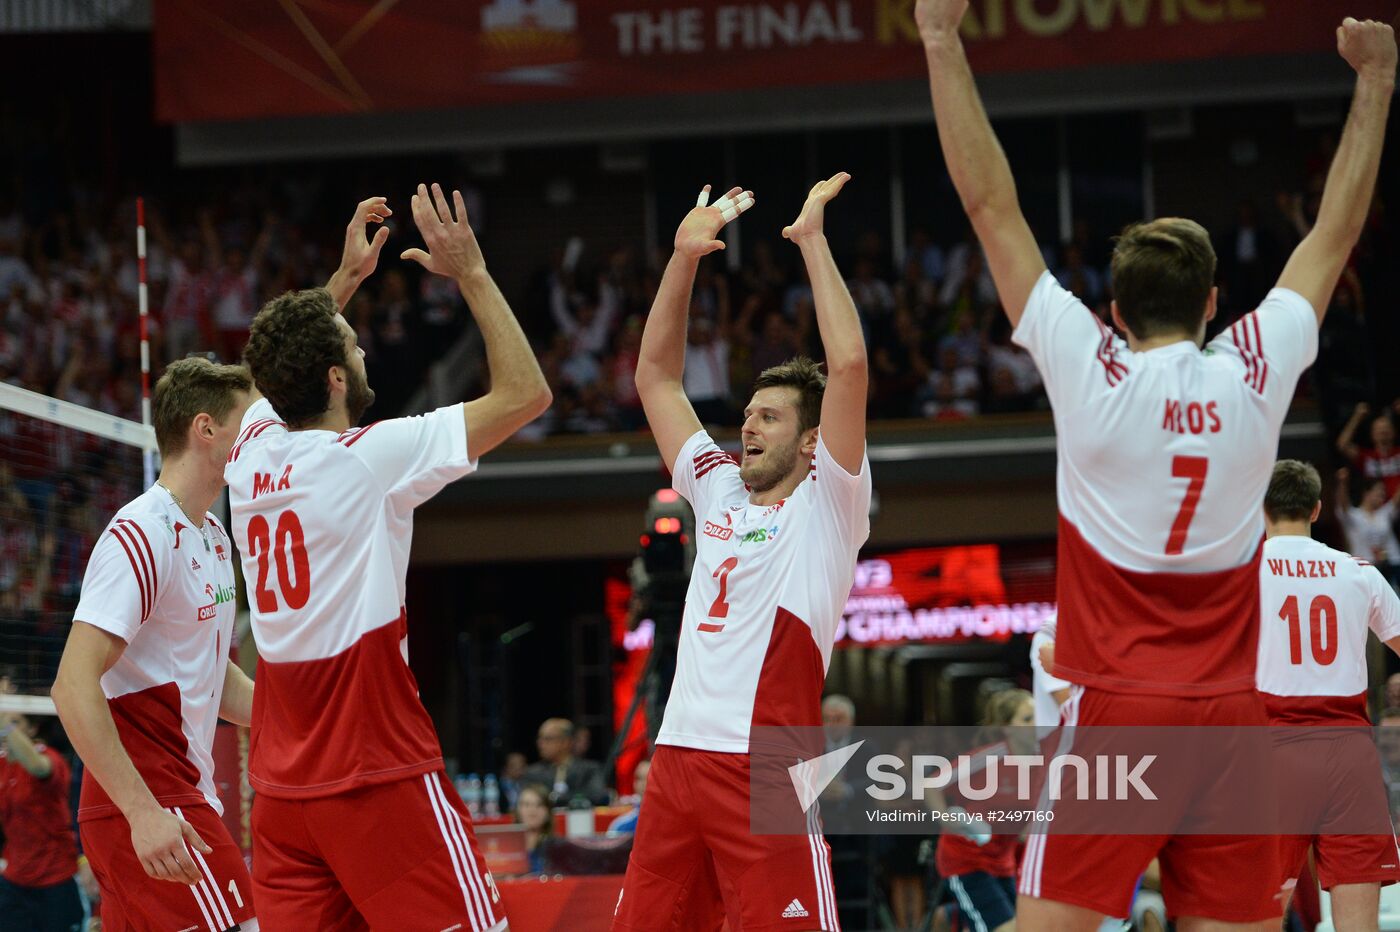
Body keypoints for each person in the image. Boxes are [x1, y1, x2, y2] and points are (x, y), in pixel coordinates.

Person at [915, 1, 1395, 927]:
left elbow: (991, 207)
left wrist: (941, 41)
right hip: (1231, 721)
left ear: (1116, 313)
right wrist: (1375, 81)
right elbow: (1331, 236)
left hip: (1119, 716)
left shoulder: (1088, 365)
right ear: (1216, 302)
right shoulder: (1254, 371)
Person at [226, 189, 550, 931]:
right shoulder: (366, 457)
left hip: (280, 794)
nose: (363, 346)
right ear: (337, 379)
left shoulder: (248, 454)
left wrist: (342, 279)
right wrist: (471, 272)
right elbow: (526, 394)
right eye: (351, 342)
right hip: (374, 773)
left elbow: (271, 369)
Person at [613, 175, 871, 932]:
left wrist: (812, 244)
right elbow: (655, 376)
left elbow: (849, 366)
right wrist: (683, 259)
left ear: (812, 440)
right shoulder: (719, 486)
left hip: (766, 768)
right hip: (677, 757)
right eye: (748, 413)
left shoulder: (830, 501)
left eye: (769, 417)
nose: (748, 428)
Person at [50, 356, 257, 932]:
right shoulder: (142, 533)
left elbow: (215, 681)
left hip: (174, 796)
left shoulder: (214, 536)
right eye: (250, 421)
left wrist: (298, 721)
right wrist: (143, 813)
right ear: (206, 428)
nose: (262, 436)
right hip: (150, 800)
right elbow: (71, 685)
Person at [1256, 460, 1400, 930]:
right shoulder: (1358, 571)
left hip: (1273, 749)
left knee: (1256, 916)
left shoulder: (1240, 575)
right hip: (1349, 752)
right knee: (1360, 924)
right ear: (1317, 509)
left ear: (1262, 508)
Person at [930, 689, 1034, 932]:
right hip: (966, 859)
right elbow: (932, 784)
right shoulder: (990, 757)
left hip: (1004, 862)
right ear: (1007, 727)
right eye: (1027, 719)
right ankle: (952, 917)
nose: (1036, 724)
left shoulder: (1045, 762)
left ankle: (951, 917)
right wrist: (945, 816)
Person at [0, 711, 84, 932]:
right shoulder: (2, 765)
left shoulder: (50, 757)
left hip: (55, 878)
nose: (7, 727)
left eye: (15, 722)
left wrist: (5, 725)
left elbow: (37, 766)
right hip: (15, 878)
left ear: (32, 729)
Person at [1335, 467, 1400, 583]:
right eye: (1379, 491)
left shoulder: (1384, 514)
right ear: (1367, 493)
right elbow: (1343, 505)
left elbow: (1397, 498)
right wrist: (1343, 483)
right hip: (1361, 570)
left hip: (1387, 569)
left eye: (1383, 492)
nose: (1382, 495)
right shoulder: (1353, 516)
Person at [524, 718, 610, 806]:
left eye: (547, 739)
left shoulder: (589, 770)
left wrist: (555, 798)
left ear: (565, 742)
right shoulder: (532, 773)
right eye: (539, 738)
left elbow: (597, 796)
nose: (540, 743)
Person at [1337, 402, 1400, 499]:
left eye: (1386, 428)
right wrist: (1357, 417)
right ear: (1372, 434)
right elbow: (1342, 445)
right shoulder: (1366, 457)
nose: (1383, 431)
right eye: (1379, 429)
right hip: (1375, 510)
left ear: (1394, 433)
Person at [515, 784, 554, 874]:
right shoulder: (507, 848)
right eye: (526, 805)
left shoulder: (557, 848)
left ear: (548, 812)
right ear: (518, 810)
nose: (532, 810)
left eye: (539, 805)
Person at [606, 759, 649, 836]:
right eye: (639, 778)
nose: (643, 783)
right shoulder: (620, 826)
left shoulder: (670, 821)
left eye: (648, 778)